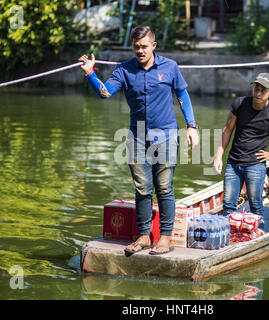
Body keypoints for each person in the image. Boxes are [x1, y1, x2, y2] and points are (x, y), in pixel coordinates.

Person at [78, 26, 199, 255]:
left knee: (164, 187)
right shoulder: (124, 70)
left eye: (144, 46)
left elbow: (182, 94)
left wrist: (191, 125)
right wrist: (90, 73)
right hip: (137, 136)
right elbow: (105, 93)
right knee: (142, 188)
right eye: (136, 47)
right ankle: (143, 235)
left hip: (166, 134)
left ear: (154, 46)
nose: (140, 51)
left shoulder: (170, 67)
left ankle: (165, 237)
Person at [213, 73, 269, 231]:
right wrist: (218, 156)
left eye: (263, 91)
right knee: (228, 206)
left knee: (256, 206)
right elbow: (227, 130)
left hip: (255, 165)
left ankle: (258, 235)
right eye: (256, 89)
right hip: (234, 163)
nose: (258, 93)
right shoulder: (239, 104)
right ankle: (228, 238)